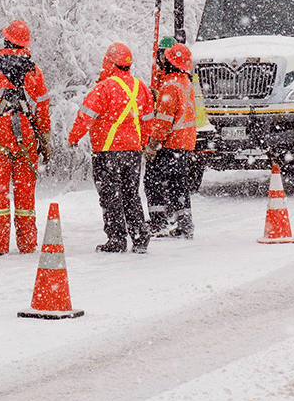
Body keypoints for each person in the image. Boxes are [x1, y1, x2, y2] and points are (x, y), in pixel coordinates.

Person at [0, 19, 50, 255]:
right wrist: (45, 141)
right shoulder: (34, 71)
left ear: (5, 39)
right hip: (26, 138)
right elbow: (43, 109)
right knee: (25, 194)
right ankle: (27, 244)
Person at [68, 42, 150, 254]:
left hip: (107, 152)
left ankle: (116, 239)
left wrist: (74, 137)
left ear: (109, 62)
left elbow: (86, 116)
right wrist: (143, 141)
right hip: (133, 152)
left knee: (110, 196)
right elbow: (148, 120)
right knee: (131, 194)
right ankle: (140, 238)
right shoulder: (141, 88)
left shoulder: (103, 88)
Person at [143, 42, 197, 238]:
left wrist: (152, 144)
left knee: (152, 181)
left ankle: (158, 223)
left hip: (170, 143)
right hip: (184, 143)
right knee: (178, 185)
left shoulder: (170, 86)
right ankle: (185, 224)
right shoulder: (184, 82)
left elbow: (163, 122)